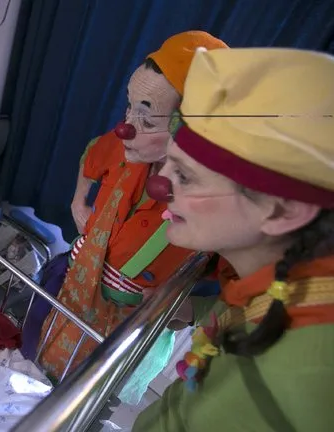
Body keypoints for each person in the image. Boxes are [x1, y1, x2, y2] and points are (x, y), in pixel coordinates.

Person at [133, 47, 334, 431]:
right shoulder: (298, 280)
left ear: (283, 210)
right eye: (167, 165)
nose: (159, 185)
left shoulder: (297, 379)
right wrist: (192, 310)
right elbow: (257, 307)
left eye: (186, 176)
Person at [20, 31, 228, 380]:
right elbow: (91, 154)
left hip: (128, 320)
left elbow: (244, 289)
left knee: (88, 389)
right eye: (128, 107)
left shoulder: (221, 203)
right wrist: (78, 201)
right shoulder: (121, 149)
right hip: (73, 285)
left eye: (146, 120)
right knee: (41, 360)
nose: (124, 128)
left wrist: (190, 309)